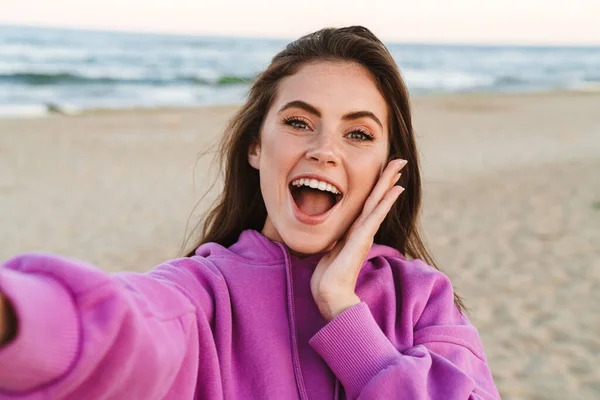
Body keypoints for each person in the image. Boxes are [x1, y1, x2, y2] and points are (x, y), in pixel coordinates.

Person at [0, 26, 500, 399]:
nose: (325, 150)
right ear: (256, 146)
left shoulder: (422, 298)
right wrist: (17, 316)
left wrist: (344, 312)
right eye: (299, 122)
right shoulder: (199, 294)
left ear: (387, 168)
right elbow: (123, 326)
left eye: (358, 133)